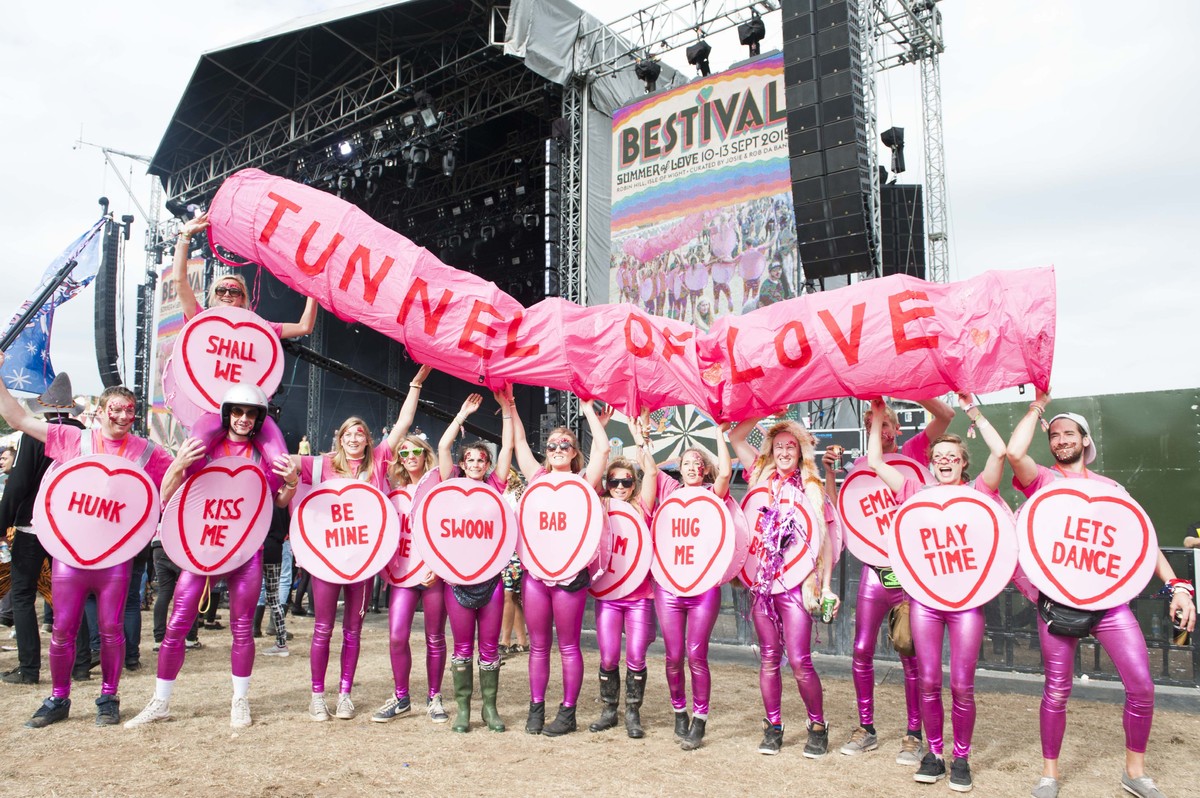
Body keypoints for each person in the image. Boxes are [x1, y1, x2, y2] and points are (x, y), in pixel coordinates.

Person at [1008, 390, 1196, 798]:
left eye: (1069, 433)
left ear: (1085, 440)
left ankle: (1134, 772)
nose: (1060, 440)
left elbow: (1141, 542)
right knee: (1056, 690)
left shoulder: (1112, 488)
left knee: (1142, 686)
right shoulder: (1043, 480)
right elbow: (1013, 451)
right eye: (1054, 435)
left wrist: (1177, 586)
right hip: (1058, 604)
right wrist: (1038, 406)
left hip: (1110, 605)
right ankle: (1049, 776)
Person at [0, 359, 174, 728]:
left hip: (115, 559)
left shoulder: (147, 452)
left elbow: (174, 483)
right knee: (63, 628)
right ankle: (59, 698)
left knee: (110, 629)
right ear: (100, 411)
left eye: (130, 410)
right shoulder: (73, 439)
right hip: (70, 556)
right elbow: (17, 419)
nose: (124, 417)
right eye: (117, 409)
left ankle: (108, 697)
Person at [125, 385, 299, 729]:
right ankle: (160, 701)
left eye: (251, 414)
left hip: (247, 551)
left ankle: (240, 700)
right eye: (238, 412)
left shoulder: (265, 455)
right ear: (227, 414)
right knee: (176, 625)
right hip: (204, 548)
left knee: (242, 629)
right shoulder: (202, 447)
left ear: (259, 419)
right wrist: (178, 464)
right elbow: (167, 493)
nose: (244, 419)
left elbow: (279, 502)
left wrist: (291, 483)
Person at [869, 393, 1006, 792]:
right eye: (938, 454)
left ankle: (960, 758)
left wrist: (973, 410)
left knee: (962, 684)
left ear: (964, 463)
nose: (944, 459)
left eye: (952, 455)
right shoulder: (915, 490)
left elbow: (1000, 452)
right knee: (928, 681)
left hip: (966, 604)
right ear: (931, 463)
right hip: (925, 603)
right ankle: (934, 753)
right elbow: (876, 463)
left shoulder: (980, 491)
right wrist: (878, 415)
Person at [825, 396, 954, 765]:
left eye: (884, 424)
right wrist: (832, 474)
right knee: (861, 650)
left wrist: (908, 383)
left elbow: (946, 414)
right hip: (875, 573)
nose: (878, 431)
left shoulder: (914, 451)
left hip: (911, 574)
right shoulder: (860, 467)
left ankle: (914, 735)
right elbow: (842, 515)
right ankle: (866, 728)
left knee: (909, 654)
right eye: (872, 426)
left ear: (896, 430)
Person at [730, 416, 838, 757]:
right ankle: (773, 726)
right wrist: (762, 408)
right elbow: (736, 436)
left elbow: (827, 542)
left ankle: (817, 726)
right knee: (768, 658)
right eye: (779, 446)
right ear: (771, 451)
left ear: (800, 450)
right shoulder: (760, 476)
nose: (784, 452)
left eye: (791, 446)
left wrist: (825, 585)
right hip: (763, 585)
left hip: (797, 584)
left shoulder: (813, 488)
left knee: (801, 661)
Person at [511, 395, 611, 737]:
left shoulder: (583, 482)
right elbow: (520, 441)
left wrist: (586, 408)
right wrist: (510, 404)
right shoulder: (537, 478)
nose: (557, 448)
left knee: (568, 644)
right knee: (539, 645)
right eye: (552, 444)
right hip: (537, 574)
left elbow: (602, 448)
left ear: (573, 452)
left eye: (564, 444)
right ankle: (535, 709)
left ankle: (567, 713)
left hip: (570, 576)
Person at [293, 415, 392, 721]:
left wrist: (415, 386)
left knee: (353, 630)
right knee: (323, 628)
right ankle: (317, 696)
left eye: (359, 434)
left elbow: (401, 427)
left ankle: (345, 695)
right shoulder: (322, 464)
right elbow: (288, 461)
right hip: (327, 562)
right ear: (340, 437)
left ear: (367, 440)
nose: (353, 439)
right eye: (348, 434)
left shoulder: (375, 465)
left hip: (362, 563)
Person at [643, 427, 733, 751]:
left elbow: (725, 471)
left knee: (697, 654)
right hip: (668, 586)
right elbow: (649, 468)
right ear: (679, 469)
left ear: (704, 469)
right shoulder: (668, 491)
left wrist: (720, 435)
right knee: (673, 656)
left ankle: (700, 720)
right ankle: (679, 710)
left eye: (698, 463)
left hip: (704, 587)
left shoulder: (712, 494)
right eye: (687, 462)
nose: (693, 467)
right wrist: (643, 438)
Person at [372, 367, 452, 725]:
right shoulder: (390, 493)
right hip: (402, 572)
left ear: (425, 455)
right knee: (396, 635)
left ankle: (435, 697)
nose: (408, 457)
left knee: (435, 637)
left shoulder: (438, 487)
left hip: (433, 573)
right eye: (402, 453)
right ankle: (401, 697)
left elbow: (449, 531)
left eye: (414, 452)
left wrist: (440, 564)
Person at [0, 374, 87, 687]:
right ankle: (81, 664)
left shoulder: (37, 433)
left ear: (47, 411)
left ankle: (29, 668)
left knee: (23, 596)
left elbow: (19, 484)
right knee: (69, 596)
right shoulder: (84, 435)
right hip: (69, 526)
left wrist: (2, 522)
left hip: (32, 526)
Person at [435, 389, 514, 733]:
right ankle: (464, 709)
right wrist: (461, 416)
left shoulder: (495, 486)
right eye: (471, 460)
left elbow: (508, 449)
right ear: (463, 464)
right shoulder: (450, 485)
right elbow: (441, 448)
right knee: (462, 647)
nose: (477, 465)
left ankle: (490, 709)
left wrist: (507, 408)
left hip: (492, 581)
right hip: (457, 582)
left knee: (489, 647)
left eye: (483, 460)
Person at [589, 415, 658, 739]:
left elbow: (653, 472)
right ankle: (609, 710)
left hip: (639, 597)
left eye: (626, 482)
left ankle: (632, 712)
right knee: (606, 655)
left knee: (636, 656)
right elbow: (589, 476)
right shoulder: (599, 504)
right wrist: (598, 426)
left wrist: (638, 437)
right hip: (608, 597)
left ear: (633, 484)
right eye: (614, 481)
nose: (620, 487)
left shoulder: (641, 508)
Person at [173, 211, 316, 338]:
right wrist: (184, 235)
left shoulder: (255, 328)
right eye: (221, 290)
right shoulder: (201, 319)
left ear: (242, 298)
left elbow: (304, 327)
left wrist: (314, 285)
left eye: (234, 291)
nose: (227, 294)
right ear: (214, 295)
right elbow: (179, 281)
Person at [498, 469, 529, 657]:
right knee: (514, 597)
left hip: (516, 550)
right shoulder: (495, 491)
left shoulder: (521, 492)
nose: (507, 476)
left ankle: (505, 640)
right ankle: (523, 641)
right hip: (503, 550)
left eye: (510, 472)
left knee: (508, 595)